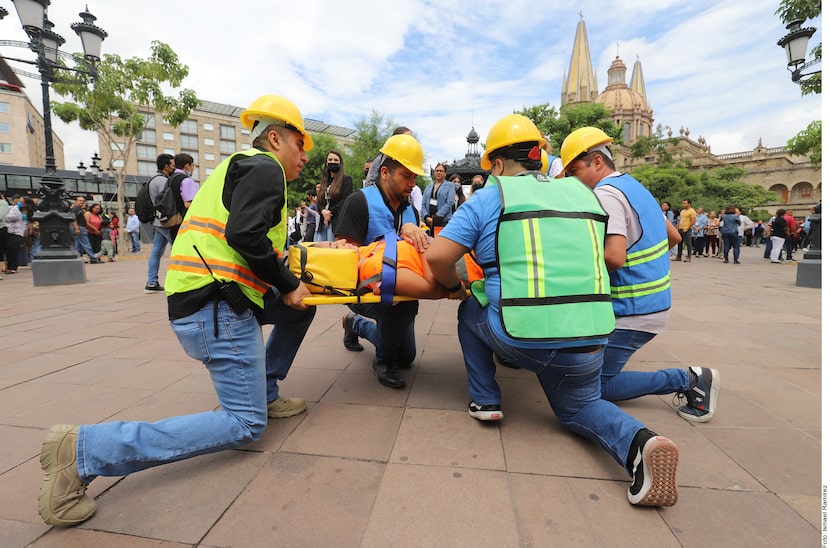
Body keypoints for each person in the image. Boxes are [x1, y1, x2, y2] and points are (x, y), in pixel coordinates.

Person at [37, 94, 316, 528]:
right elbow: (244, 235)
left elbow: (246, 237)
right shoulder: (266, 168)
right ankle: (84, 450)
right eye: (301, 144)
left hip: (206, 300)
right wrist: (290, 283)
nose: (304, 156)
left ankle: (264, 388)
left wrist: (292, 280)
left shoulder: (236, 166)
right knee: (244, 424)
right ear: (276, 138)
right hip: (218, 307)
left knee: (299, 310)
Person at [427, 115, 679, 508]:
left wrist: (453, 287)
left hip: (519, 334)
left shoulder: (490, 197)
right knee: (581, 406)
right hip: (591, 339)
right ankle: (640, 443)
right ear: (540, 158)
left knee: (468, 311)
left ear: (494, 164)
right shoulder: (582, 194)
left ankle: (486, 400)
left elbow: (438, 256)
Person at [560, 125, 720, 423]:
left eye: (573, 171)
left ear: (596, 161)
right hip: (652, 302)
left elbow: (613, 257)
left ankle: (689, 380)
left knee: (596, 386)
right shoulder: (634, 187)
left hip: (632, 310)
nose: (571, 180)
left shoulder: (605, 194)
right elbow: (673, 236)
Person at [334, 133, 430, 389]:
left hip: (398, 287)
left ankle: (354, 325)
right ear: (385, 173)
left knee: (407, 357)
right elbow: (343, 257)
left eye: (414, 177)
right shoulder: (359, 201)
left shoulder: (412, 209)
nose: (412, 183)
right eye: (406, 176)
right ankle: (383, 362)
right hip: (362, 289)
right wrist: (399, 235)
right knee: (404, 309)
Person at [144, 154, 176, 292]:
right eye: (172, 165)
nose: (174, 167)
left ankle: (151, 282)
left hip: (157, 221)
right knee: (178, 250)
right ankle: (175, 281)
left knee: (156, 252)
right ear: (166, 166)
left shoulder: (153, 180)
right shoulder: (163, 181)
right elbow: (168, 201)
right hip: (166, 222)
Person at [315, 150, 353, 242]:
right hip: (323, 221)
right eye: (330, 160)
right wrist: (323, 211)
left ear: (340, 163)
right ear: (326, 163)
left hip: (337, 221)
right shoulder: (324, 181)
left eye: (336, 160)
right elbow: (319, 201)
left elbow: (345, 200)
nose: (333, 162)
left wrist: (329, 213)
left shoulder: (346, 180)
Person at [168, 153, 200, 242]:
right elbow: (188, 204)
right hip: (184, 222)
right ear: (187, 166)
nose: (193, 168)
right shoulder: (186, 180)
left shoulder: (171, 178)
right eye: (193, 165)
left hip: (172, 219)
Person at [421, 162, 455, 237]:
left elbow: (450, 202)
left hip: (443, 221)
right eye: (437, 170)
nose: (438, 172)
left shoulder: (450, 186)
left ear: (445, 173)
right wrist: (426, 217)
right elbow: (423, 204)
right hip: (428, 222)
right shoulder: (428, 187)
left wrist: (436, 217)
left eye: (441, 171)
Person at [69, 196, 101, 264]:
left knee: (78, 245)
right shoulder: (75, 209)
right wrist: (77, 228)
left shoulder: (79, 209)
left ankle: (77, 258)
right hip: (80, 227)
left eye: (83, 201)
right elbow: (73, 219)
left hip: (80, 227)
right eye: (80, 200)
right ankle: (93, 258)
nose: (82, 202)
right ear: (76, 201)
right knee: (86, 243)